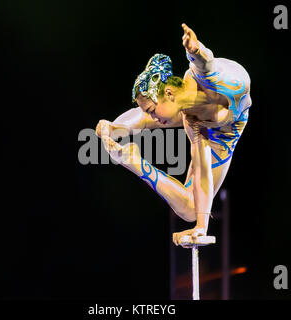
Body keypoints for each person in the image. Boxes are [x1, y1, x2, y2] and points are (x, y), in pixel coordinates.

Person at [96, 23, 251, 247]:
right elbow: (202, 167)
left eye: (151, 108)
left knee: (190, 208)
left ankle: (119, 136)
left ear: (168, 92)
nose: (154, 116)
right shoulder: (191, 123)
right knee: (192, 209)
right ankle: (128, 153)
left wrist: (195, 50)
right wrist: (201, 225)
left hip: (227, 130)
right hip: (209, 120)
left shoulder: (205, 79)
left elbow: (206, 63)